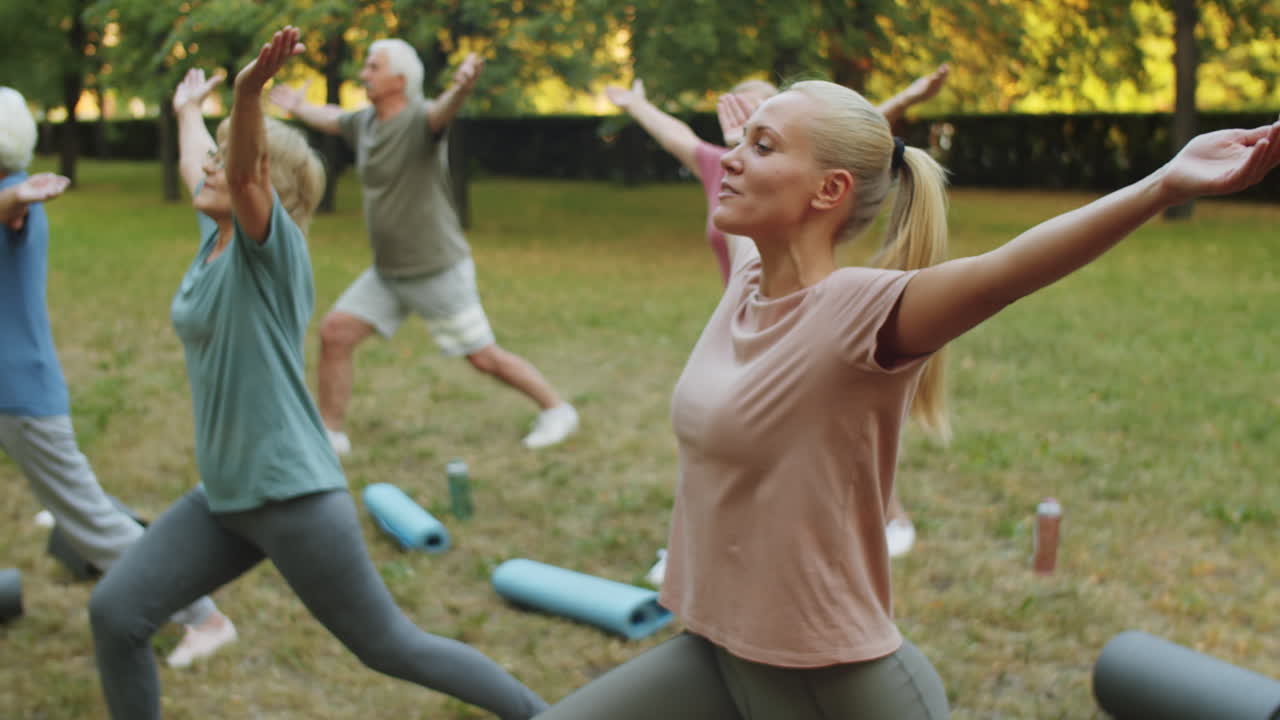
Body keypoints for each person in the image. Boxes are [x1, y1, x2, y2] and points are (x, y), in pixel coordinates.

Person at [534, 81, 1280, 719]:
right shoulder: (745, 286)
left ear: (830, 191)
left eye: (762, 148)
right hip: (718, 652)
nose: (730, 159)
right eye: (744, 144)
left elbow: (1009, 269)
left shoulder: (861, 313)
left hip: (837, 686)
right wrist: (755, 141)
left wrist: (1164, 184)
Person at [87, 29, 547, 720]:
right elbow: (209, 168)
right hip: (226, 494)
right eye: (211, 155)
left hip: (293, 493)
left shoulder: (270, 254)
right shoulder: (214, 238)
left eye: (226, 158)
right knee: (116, 612)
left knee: (391, 646)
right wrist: (189, 113)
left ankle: (542, 714)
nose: (210, 167)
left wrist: (248, 94)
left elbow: (239, 174)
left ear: (264, 184)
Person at [607, 67, 949, 581]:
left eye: (764, 135)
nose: (736, 153)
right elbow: (678, 135)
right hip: (742, 321)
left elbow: (859, 141)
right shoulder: (717, 166)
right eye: (747, 123)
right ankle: (695, 548)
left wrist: (909, 96)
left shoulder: (809, 181)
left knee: (831, 443)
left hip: (798, 324)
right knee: (715, 432)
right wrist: (636, 105)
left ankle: (889, 516)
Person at [0, 86, 236, 668]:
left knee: (90, 521)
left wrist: (17, 198)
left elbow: (11, 207)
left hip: (18, 391)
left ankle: (204, 616)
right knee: (83, 511)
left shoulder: (14, 194)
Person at [268, 39, 578, 454]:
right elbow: (333, 118)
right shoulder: (366, 123)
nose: (364, 74)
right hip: (388, 271)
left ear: (400, 79)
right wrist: (299, 108)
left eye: (373, 67)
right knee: (336, 333)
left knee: (483, 357)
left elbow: (442, 111)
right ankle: (330, 434)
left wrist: (462, 89)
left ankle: (557, 409)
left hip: (435, 269)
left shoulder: (419, 122)